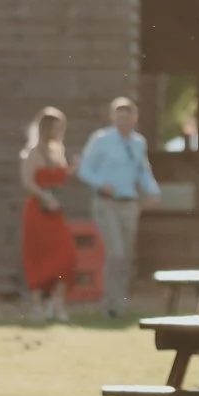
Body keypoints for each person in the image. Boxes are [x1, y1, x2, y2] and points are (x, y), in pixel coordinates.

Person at [76, 97, 160, 316]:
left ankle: (120, 304)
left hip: (129, 203)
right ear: (112, 117)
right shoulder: (101, 140)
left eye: (126, 116)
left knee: (126, 255)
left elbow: (143, 170)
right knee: (115, 252)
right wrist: (100, 184)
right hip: (106, 203)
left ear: (134, 118)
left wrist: (152, 191)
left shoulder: (138, 142)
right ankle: (108, 304)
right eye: (118, 116)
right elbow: (84, 169)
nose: (122, 121)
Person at [18, 107, 79, 321]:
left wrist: (70, 171)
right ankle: (37, 307)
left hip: (55, 212)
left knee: (66, 257)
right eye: (54, 127)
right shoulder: (34, 152)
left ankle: (57, 302)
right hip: (38, 210)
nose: (58, 131)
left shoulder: (57, 151)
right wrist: (44, 196)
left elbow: (59, 180)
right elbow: (27, 181)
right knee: (38, 258)